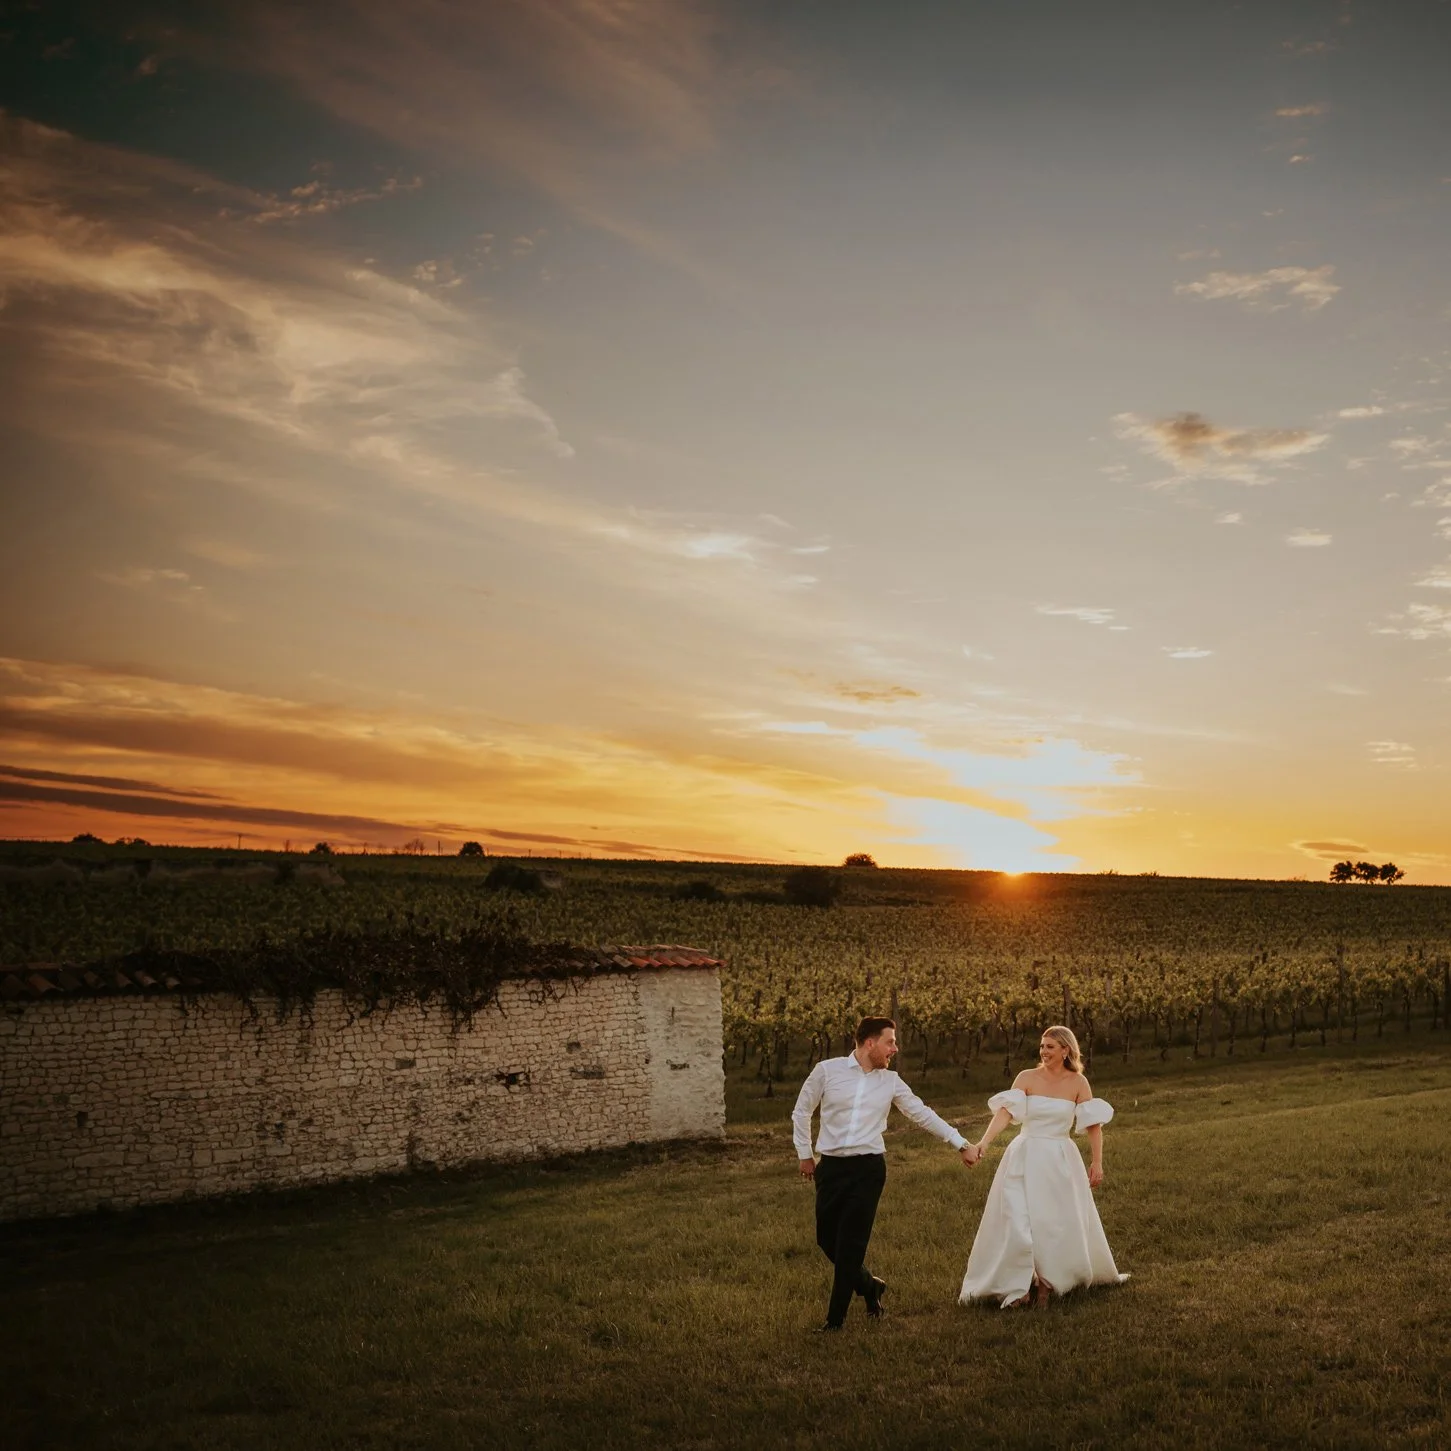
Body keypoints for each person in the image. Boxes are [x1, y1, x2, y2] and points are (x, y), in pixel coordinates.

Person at [792, 1016, 978, 1331]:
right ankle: (869, 1286)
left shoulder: (890, 1081)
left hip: (869, 1169)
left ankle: (834, 1322)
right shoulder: (827, 1070)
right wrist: (805, 1154)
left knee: (851, 1243)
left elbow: (922, 1113)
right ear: (870, 1043)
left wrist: (960, 1143)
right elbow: (802, 1111)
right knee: (826, 1239)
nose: (895, 1048)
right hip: (831, 1168)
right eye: (890, 1041)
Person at [959, 1024, 1128, 1309]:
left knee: (1051, 1221)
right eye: (1041, 1046)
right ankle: (1019, 1284)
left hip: (1059, 1158)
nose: (1044, 1051)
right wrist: (984, 1143)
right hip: (1024, 1154)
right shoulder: (1027, 1077)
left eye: (1050, 1047)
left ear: (1065, 1050)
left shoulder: (1078, 1083)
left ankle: (1047, 1284)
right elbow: (1005, 1114)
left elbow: (1093, 1127)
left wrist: (1097, 1162)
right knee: (1017, 1218)